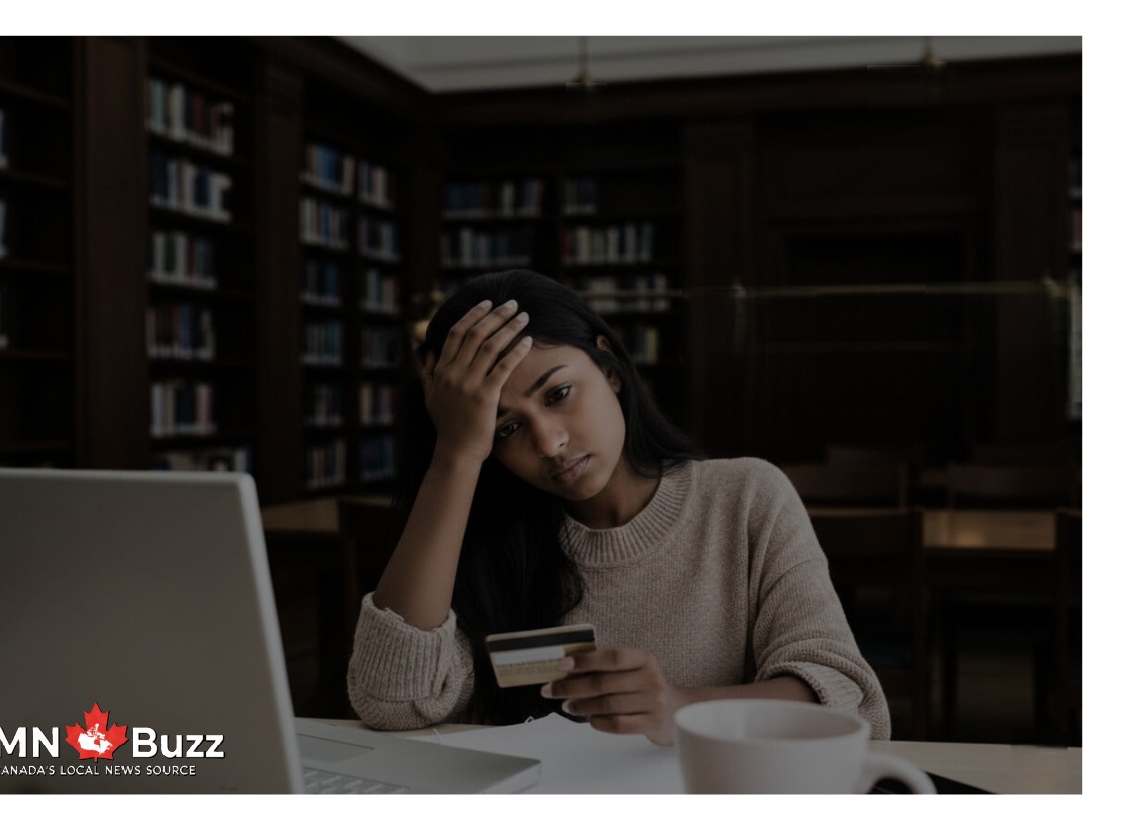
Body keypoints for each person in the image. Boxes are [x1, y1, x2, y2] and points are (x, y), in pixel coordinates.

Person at [347, 269, 889, 745]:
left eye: (558, 394)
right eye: (506, 428)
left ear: (609, 368)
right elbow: (391, 703)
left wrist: (678, 708)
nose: (549, 442)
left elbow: (853, 704)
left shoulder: (746, 498)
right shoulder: (477, 531)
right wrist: (455, 455)